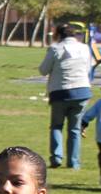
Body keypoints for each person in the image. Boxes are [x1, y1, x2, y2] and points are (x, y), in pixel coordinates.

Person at [38, 24, 92, 169]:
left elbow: (43, 70)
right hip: (82, 91)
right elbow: (88, 68)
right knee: (75, 128)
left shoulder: (56, 49)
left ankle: (56, 157)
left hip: (60, 92)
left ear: (59, 35)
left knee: (57, 126)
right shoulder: (84, 48)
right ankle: (73, 162)